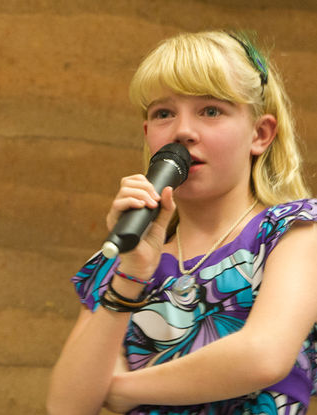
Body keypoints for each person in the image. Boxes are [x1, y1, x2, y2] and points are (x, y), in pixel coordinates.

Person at [46, 30, 317, 415]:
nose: (183, 131)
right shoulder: (123, 253)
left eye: (210, 111)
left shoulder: (294, 231)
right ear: (148, 135)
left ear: (260, 134)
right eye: (164, 113)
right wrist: (132, 273)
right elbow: (67, 406)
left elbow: (262, 356)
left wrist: (126, 389)